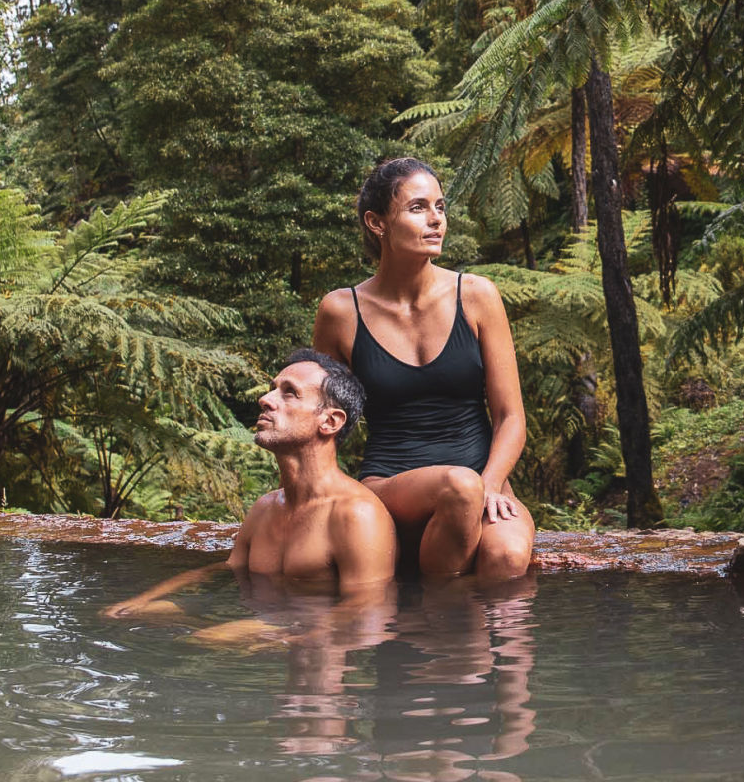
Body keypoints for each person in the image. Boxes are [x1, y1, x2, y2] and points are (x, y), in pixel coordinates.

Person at [312, 157, 536, 580]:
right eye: (418, 208)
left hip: (480, 478)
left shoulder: (477, 296)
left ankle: (453, 638)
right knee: (459, 487)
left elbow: (511, 418)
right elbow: (320, 424)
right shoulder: (341, 311)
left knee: (505, 556)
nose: (436, 220)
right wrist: (328, 502)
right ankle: (439, 628)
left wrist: (490, 484)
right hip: (392, 482)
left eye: (440, 206)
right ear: (377, 223)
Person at [104, 349, 396, 618]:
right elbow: (226, 571)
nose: (266, 399)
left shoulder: (357, 514)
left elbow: (366, 611)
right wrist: (144, 600)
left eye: (290, 393)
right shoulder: (266, 508)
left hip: (316, 653)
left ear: (330, 422)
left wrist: (256, 631)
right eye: (273, 389)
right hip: (277, 643)